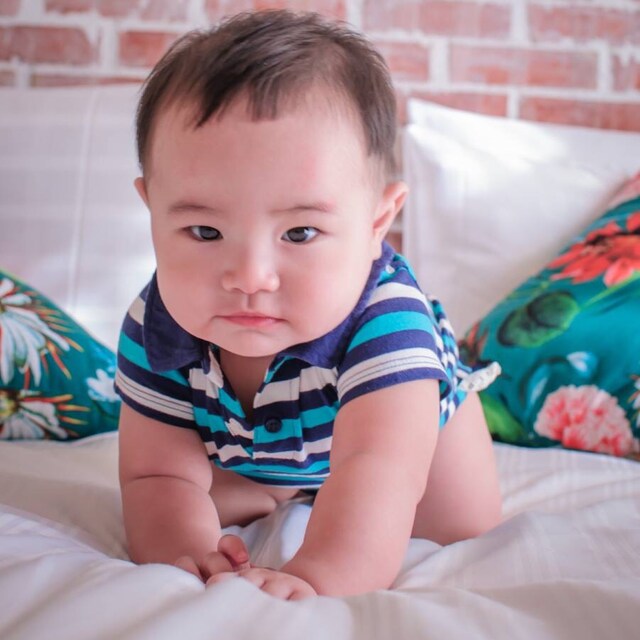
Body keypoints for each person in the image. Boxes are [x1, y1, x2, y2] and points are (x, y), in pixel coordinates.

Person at [115, 9, 502, 601]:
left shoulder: (388, 322)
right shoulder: (158, 323)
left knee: (459, 524)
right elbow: (154, 472)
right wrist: (185, 551)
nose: (249, 277)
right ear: (152, 210)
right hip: (256, 448)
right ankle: (282, 486)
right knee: (189, 496)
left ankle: (302, 489)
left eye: (299, 233)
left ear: (377, 223)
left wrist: (316, 576)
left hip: (405, 437)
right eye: (205, 231)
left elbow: (379, 470)